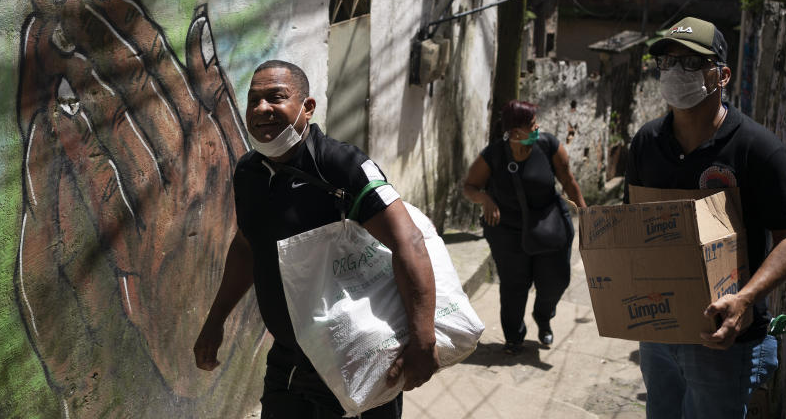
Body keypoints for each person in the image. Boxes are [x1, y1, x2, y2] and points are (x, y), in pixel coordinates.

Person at [193, 60, 439, 418]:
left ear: (307, 107)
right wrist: (215, 321)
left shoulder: (342, 166)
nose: (262, 109)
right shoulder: (249, 173)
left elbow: (408, 241)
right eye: (253, 101)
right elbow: (249, 245)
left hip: (357, 354)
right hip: (288, 360)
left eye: (276, 98)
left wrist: (422, 337)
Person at [624, 17, 786, 418]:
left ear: (721, 75)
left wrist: (746, 299)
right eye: (667, 63)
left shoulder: (758, 149)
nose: (675, 73)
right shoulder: (646, 143)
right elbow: (634, 229)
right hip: (658, 334)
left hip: (724, 337)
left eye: (691, 64)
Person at [461, 100, 586, 354]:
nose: (537, 126)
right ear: (516, 132)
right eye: (532, 124)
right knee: (513, 287)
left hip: (550, 226)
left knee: (556, 281)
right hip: (507, 232)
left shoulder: (548, 145)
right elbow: (469, 187)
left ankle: (543, 316)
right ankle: (514, 336)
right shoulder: (494, 155)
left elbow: (568, 181)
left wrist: (586, 213)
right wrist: (485, 198)